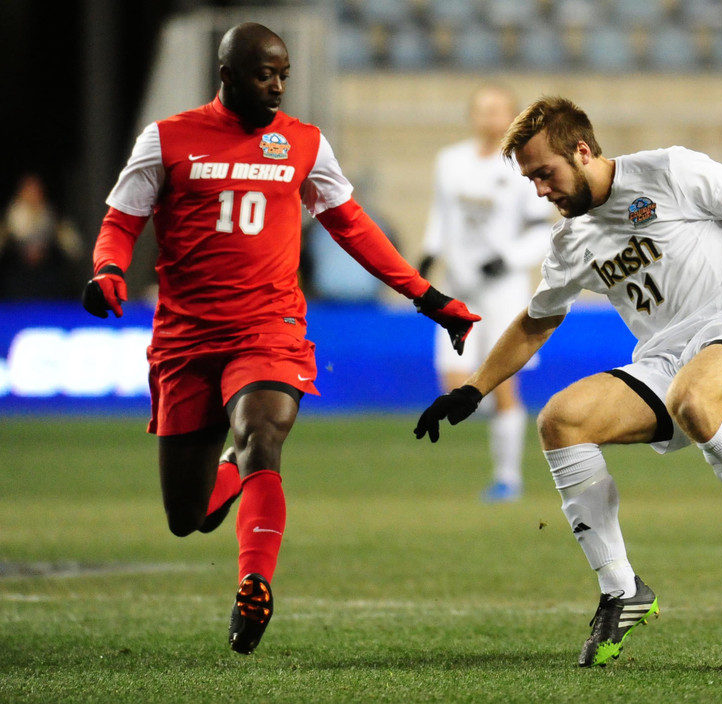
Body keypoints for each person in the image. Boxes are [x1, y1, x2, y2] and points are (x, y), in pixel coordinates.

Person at [81, 22, 479, 656]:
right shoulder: (166, 140)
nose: (276, 87)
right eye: (264, 75)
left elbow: (352, 226)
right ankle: (232, 473)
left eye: (284, 76)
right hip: (186, 338)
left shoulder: (303, 144)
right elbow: (120, 222)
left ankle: (254, 583)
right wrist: (106, 268)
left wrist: (427, 298)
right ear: (228, 75)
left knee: (262, 430)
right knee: (186, 518)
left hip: (270, 327)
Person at [414, 97, 722, 667]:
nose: (540, 190)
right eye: (530, 180)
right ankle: (622, 590)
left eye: (544, 173)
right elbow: (536, 321)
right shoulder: (572, 240)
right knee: (560, 421)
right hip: (664, 359)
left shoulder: (670, 170)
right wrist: (473, 388)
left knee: (694, 399)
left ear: (583, 151)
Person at [418, 84, 553, 502]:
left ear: (513, 117)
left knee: (503, 382)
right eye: (483, 110)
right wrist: (429, 254)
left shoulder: (522, 164)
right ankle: (498, 467)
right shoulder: (451, 161)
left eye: (499, 111)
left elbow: (541, 226)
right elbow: (443, 214)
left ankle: (508, 478)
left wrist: (510, 258)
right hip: (459, 287)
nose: (491, 118)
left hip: (503, 288)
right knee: (454, 379)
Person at [0, 173, 84, 299]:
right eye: (28, 190)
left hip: (45, 270)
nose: (32, 194)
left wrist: (73, 249)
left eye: (36, 190)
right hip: (19, 270)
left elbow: (72, 244)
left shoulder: (50, 214)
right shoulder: (13, 214)